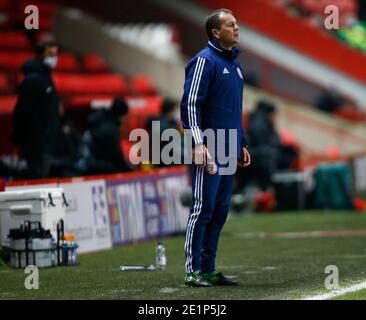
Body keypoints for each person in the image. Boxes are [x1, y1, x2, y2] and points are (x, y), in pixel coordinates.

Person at [180, 8, 251, 287]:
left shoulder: (235, 65)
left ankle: (208, 269)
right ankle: (193, 271)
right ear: (215, 32)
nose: (236, 28)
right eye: (230, 24)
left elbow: (234, 110)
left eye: (236, 23)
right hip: (208, 148)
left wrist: (241, 142)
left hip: (228, 149)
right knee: (203, 209)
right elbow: (190, 105)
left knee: (220, 210)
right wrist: (198, 143)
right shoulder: (203, 61)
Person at [12, 41, 61, 179]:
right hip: (36, 145)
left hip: (47, 144)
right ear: (40, 55)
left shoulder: (47, 78)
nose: (54, 58)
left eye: (56, 54)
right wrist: (21, 138)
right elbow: (22, 111)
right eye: (50, 54)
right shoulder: (33, 80)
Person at [79, 97, 134, 175]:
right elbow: (116, 156)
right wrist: (130, 171)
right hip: (98, 167)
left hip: (88, 163)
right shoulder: (110, 129)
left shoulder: (100, 120)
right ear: (121, 116)